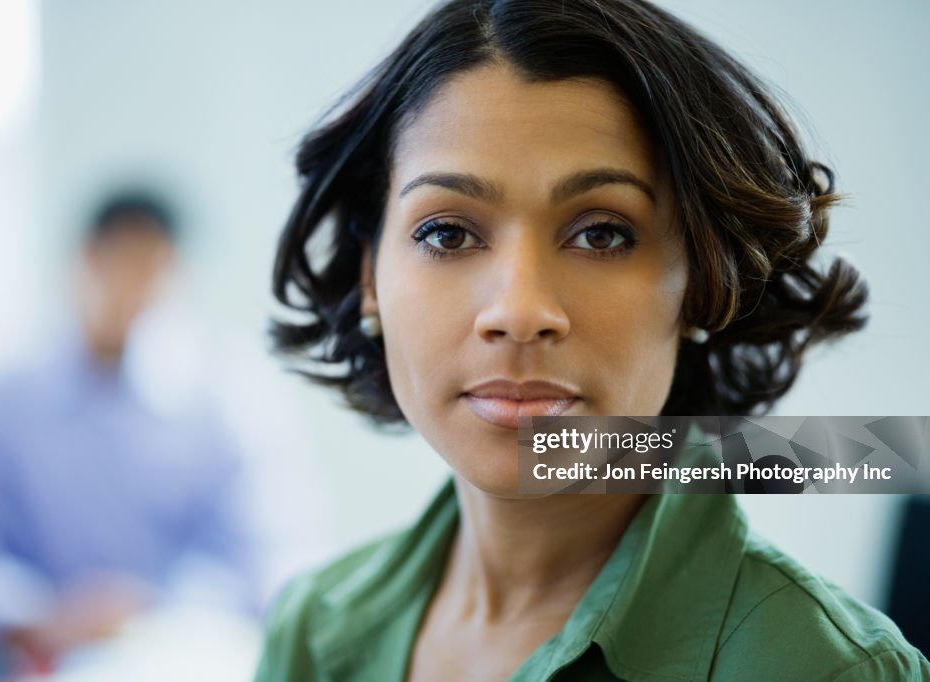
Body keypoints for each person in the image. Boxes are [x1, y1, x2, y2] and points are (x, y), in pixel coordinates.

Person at [257, 0, 930, 680]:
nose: (519, 313)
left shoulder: (827, 668)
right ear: (371, 279)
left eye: (602, 233)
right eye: (447, 233)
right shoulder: (311, 631)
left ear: (700, 281)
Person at [0, 192, 259, 679]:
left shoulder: (223, 403)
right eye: (124, 266)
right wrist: (46, 617)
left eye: (156, 273)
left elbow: (251, 555)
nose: (139, 292)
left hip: (168, 649)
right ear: (86, 260)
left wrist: (148, 611)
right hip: (8, 655)